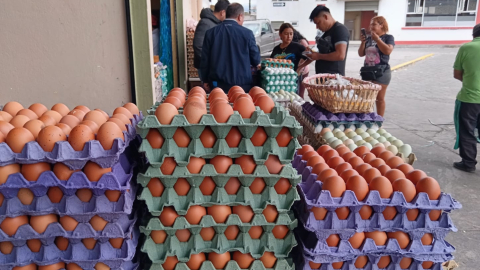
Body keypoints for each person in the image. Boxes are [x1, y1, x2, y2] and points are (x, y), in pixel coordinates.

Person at [200, 3, 260, 92]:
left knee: (219, 105)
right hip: (242, 85)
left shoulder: (211, 33)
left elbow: (204, 60)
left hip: (218, 84)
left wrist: (204, 79)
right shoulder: (247, 34)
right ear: (240, 16)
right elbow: (255, 60)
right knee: (242, 105)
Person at [452, 23, 480, 173]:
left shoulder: (467, 48)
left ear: (474, 35)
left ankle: (468, 163)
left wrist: (471, 81)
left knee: (467, 131)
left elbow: (457, 74)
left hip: (470, 98)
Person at [358, 16, 395, 117]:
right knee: (367, 98)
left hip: (381, 72)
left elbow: (388, 50)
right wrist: (363, 42)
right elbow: (361, 54)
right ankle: (369, 119)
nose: (371, 27)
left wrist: (378, 39)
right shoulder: (369, 38)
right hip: (368, 71)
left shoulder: (388, 38)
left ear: (381, 25)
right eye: (370, 24)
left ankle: (379, 121)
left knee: (379, 98)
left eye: (373, 24)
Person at [297, 6, 350, 76]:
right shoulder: (325, 33)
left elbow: (340, 55)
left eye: (318, 23)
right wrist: (301, 66)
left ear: (325, 17)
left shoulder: (340, 30)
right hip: (321, 77)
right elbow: (318, 54)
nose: (317, 27)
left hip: (334, 79)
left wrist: (318, 56)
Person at [270, 23, 308, 97]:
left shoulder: (297, 47)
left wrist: (300, 67)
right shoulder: (276, 49)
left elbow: (312, 56)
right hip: (277, 81)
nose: (289, 36)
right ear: (280, 34)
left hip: (292, 82)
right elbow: (271, 62)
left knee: (292, 102)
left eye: (291, 34)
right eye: (286, 34)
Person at [193, 0, 230, 76]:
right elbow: (198, 46)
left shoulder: (216, 23)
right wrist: (210, 62)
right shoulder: (205, 23)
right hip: (207, 68)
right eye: (227, 14)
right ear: (222, 12)